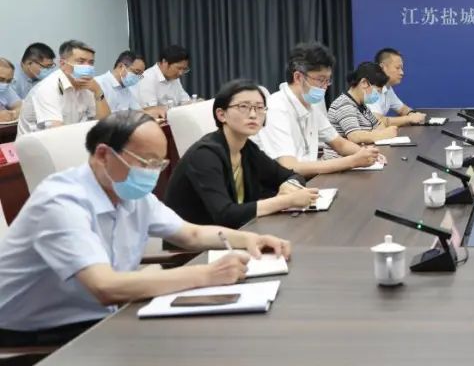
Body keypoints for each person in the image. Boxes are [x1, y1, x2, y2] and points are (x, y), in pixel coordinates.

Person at [0, 111, 289, 366]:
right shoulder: (62, 202)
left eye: (160, 163)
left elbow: (190, 233)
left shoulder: (128, 193)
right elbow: (105, 286)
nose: (153, 173)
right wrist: (205, 276)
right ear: (104, 155)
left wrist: (248, 240)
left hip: (93, 318)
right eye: (146, 162)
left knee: (213, 337)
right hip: (29, 338)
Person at [165, 79, 320, 228]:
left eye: (259, 108)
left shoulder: (247, 149)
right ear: (221, 115)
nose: (253, 114)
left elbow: (291, 175)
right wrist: (287, 201)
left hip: (237, 231)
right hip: (195, 241)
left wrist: (290, 185)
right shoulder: (204, 155)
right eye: (243, 107)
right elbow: (225, 215)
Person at [254, 42, 382, 176]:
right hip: (281, 184)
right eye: (321, 80)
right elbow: (290, 167)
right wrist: (352, 161)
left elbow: (339, 144)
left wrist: (367, 154)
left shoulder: (311, 106)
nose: (325, 86)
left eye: (328, 80)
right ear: (298, 77)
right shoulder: (276, 108)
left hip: (305, 180)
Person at [16, 39, 110, 137]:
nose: (87, 67)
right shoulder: (48, 88)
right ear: (62, 64)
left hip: (70, 139)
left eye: (91, 62)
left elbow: (105, 125)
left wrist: (98, 91)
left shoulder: (88, 85)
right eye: (81, 61)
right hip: (37, 144)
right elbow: (57, 134)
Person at [327, 61, 399, 149]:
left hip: (364, 153)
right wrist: (383, 134)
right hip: (345, 156)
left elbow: (379, 126)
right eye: (377, 91)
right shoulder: (344, 104)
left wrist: (378, 133)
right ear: (364, 83)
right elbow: (355, 136)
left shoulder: (362, 106)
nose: (378, 95)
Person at [132, 43, 192, 117]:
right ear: (164, 62)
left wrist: (195, 103)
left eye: (184, 69)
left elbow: (185, 101)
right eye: (178, 68)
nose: (181, 73)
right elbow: (151, 110)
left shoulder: (174, 77)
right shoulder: (147, 78)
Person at [372, 47, 426, 126]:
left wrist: (413, 114)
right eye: (397, 68)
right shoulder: (370, 89)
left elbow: (402, 109)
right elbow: (376, 121)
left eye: (401, 68)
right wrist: (409, 118)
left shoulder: (387, 88)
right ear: (382, 68)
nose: (402, 73)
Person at [0, 57, 23, 122]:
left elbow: (20, 106)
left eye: (9, 81)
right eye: (1, 79)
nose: (5, 84)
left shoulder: (7, 89)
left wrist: (13, 114)